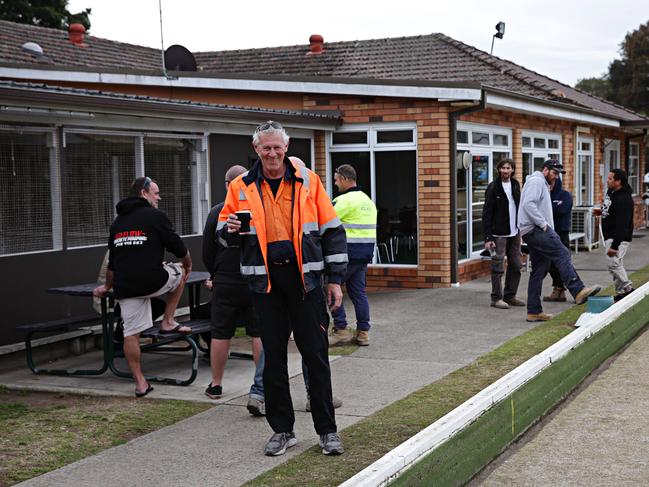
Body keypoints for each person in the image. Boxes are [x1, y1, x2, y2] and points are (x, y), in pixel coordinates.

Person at [218, 120, 347, 456]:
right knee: (272, 359)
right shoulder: (241, 186)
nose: (272, 153)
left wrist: (335, 279)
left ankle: (327, 431)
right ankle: (282, 430)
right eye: (266, 148)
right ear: (256, 150)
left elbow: (332, 231)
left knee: (316, 356)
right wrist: (230, 228)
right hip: (264, 285)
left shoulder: (309, 181)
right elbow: (222, 235)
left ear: (286, 148)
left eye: (277, 147)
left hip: (305, 282)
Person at [93, 177, 193, 397]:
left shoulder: (117, 223)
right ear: (143, 193)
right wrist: (187, 263)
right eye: (155, 193)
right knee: (179, 271)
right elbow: (177, 245)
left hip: (125, 286)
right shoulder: (156, 216)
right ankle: (168, 321)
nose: (159, 197)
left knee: (131, 333)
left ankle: (140, 383)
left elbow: (112, 264)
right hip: (152, 281)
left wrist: (106, 287)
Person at [202, 164, 265, 416]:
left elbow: (207, 249)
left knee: (220, 333)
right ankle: (263, 385)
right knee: (258, 332)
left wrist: (215, 274)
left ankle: (216, 384)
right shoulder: (258, 209)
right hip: (254, 278)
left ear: (228, 185)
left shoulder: (218, 212)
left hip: (226, 280)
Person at [518, 160, 600, 322]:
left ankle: (534, 311)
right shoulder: (536, 181)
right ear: (546, 170)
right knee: (562, 252)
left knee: (539, 271)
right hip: (535, 229)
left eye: (558, 174)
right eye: (554, 173)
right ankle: (577, 290)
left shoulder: (540, 183)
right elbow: (528, 204)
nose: (556, 177)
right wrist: (544, 225)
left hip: (531, 230)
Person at [328, 164, 377, 346]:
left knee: (333, 289)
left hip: (346, 254)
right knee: (359, 293)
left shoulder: (344, 201)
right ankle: (363, 333)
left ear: (344, 179)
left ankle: (340, 330)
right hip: (364, 255)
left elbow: (325, 220)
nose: (335, 183)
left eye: (336, 179)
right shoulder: (367, 201)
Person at [481, 158, 524, 309]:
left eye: (509, 168)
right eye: (503, 168)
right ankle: (496, 298)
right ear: (499, 170)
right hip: (498, 233)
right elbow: (486, 213)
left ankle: (510, 295)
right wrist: (488, 237)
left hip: (515, 232)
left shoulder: (516, 185)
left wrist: (522, 228)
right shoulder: (493, 187)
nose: (506, 171)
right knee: (498, 266)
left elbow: (520, 206)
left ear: (513, 170)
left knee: (517, 265)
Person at [593, 169, 635, 302]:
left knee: (613, 263)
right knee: (615, 265)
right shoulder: (611, 192)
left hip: (619, 236)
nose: (607, 180)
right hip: (609, 235)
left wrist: (615, 245)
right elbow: (610, 208)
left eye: (611, 178)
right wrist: (602, 212)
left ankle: (628, 289)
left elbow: (623, 224)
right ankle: (620, 292)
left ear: (618, 181)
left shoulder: (625, 199)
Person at [543, 175, 573, 302]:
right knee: (550, 264)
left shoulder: (565, 195)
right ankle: (558, 289)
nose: (549, 185)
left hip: (561, 233)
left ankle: (571, 289)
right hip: (548, 233)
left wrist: (548, 209)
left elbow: (562, 210)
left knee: (563, 262)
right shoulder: (544, 196)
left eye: (552, 183)